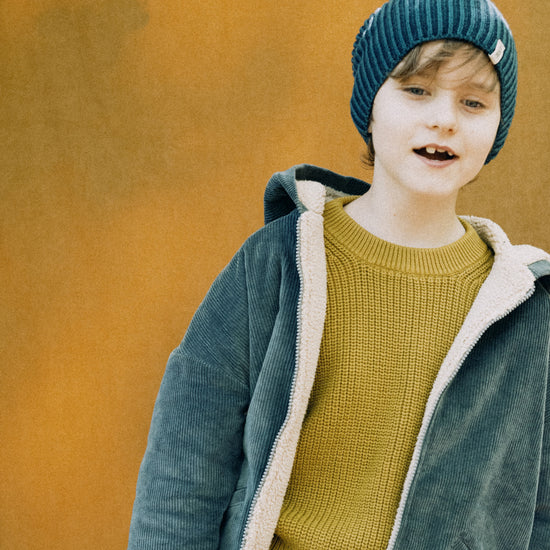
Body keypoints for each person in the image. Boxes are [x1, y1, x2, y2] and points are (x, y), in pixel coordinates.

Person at [128, 0, 550, 548]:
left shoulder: (525, 304)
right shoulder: (276, 262)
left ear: (497, 126)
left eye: (473, 101)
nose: (445, 119)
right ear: (370, 106)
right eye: (417, 89)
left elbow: (540, 506)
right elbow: (182, 471)